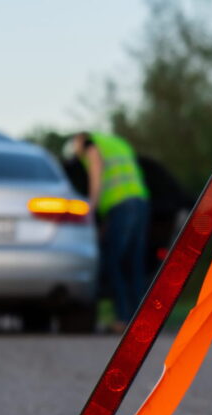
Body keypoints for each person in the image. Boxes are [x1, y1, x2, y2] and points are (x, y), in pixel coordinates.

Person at [66, 132, 150, 332]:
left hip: (120, 205)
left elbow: (97, 176)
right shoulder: (119, 143)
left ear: (79, 139)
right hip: (140, 202)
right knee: (134, 264)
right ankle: (144, 320)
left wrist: (91, 209)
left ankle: (123, 318)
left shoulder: (92, 147)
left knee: (113, 261)